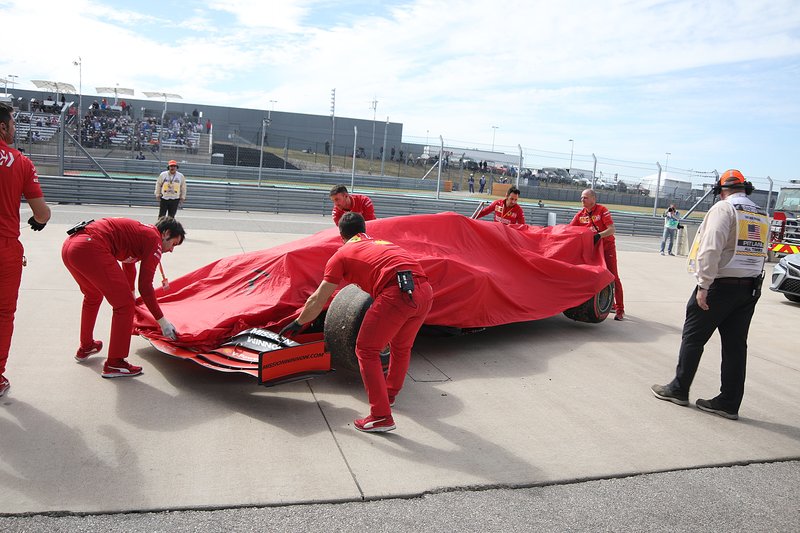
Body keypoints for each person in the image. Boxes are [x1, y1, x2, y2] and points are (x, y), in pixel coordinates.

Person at [279, 212, 433, 433]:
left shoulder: (341, 255)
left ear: (341, 235)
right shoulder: (382, 243)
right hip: (424, 292)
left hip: (396, 295)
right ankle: (389, 395)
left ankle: (381, 417)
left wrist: (299, 322)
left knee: (366, 350)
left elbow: (319, 298)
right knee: (401, 347)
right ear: (364, 230)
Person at [651, 170, 767, 420]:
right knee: (736, 347)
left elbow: (711, 247)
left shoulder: (724, 209)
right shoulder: (759, 212)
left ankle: (679, 389)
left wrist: (704, 285)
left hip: (720, 285)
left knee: (693, 337)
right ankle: (728, 402)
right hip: (750, 287)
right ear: (745, 189)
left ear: (722, 190)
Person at [61, 217, 186, 378]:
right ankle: (115, 363)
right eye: (174, 244)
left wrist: (131, 292)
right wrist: (162, 321)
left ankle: (86, 346)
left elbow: (129, 263)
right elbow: (146, 286)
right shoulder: (154, 240)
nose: (171, 250)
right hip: (91, 246)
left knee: (93, 296)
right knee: (124, 306)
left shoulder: (142, 233)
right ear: (166, 233)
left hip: (71, 246)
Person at [0, 103, 52, 397]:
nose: (15, 130)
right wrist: (38, 220)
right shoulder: (20, 162)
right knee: (3, 314)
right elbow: (42, 212)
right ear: (3, 127)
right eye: (13, 125)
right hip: (4, 246)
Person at [569, 189, 624, 320]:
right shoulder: (580, 214)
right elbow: (569, 229)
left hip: (607, 248)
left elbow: (612, 229)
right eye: (581, 198)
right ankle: (606, 303)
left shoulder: (602, 210)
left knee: (613, 277)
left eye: (585, 198)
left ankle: (620, 309)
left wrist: (598, 236)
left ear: (593, 199)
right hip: (592, 250)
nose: (582, 200)